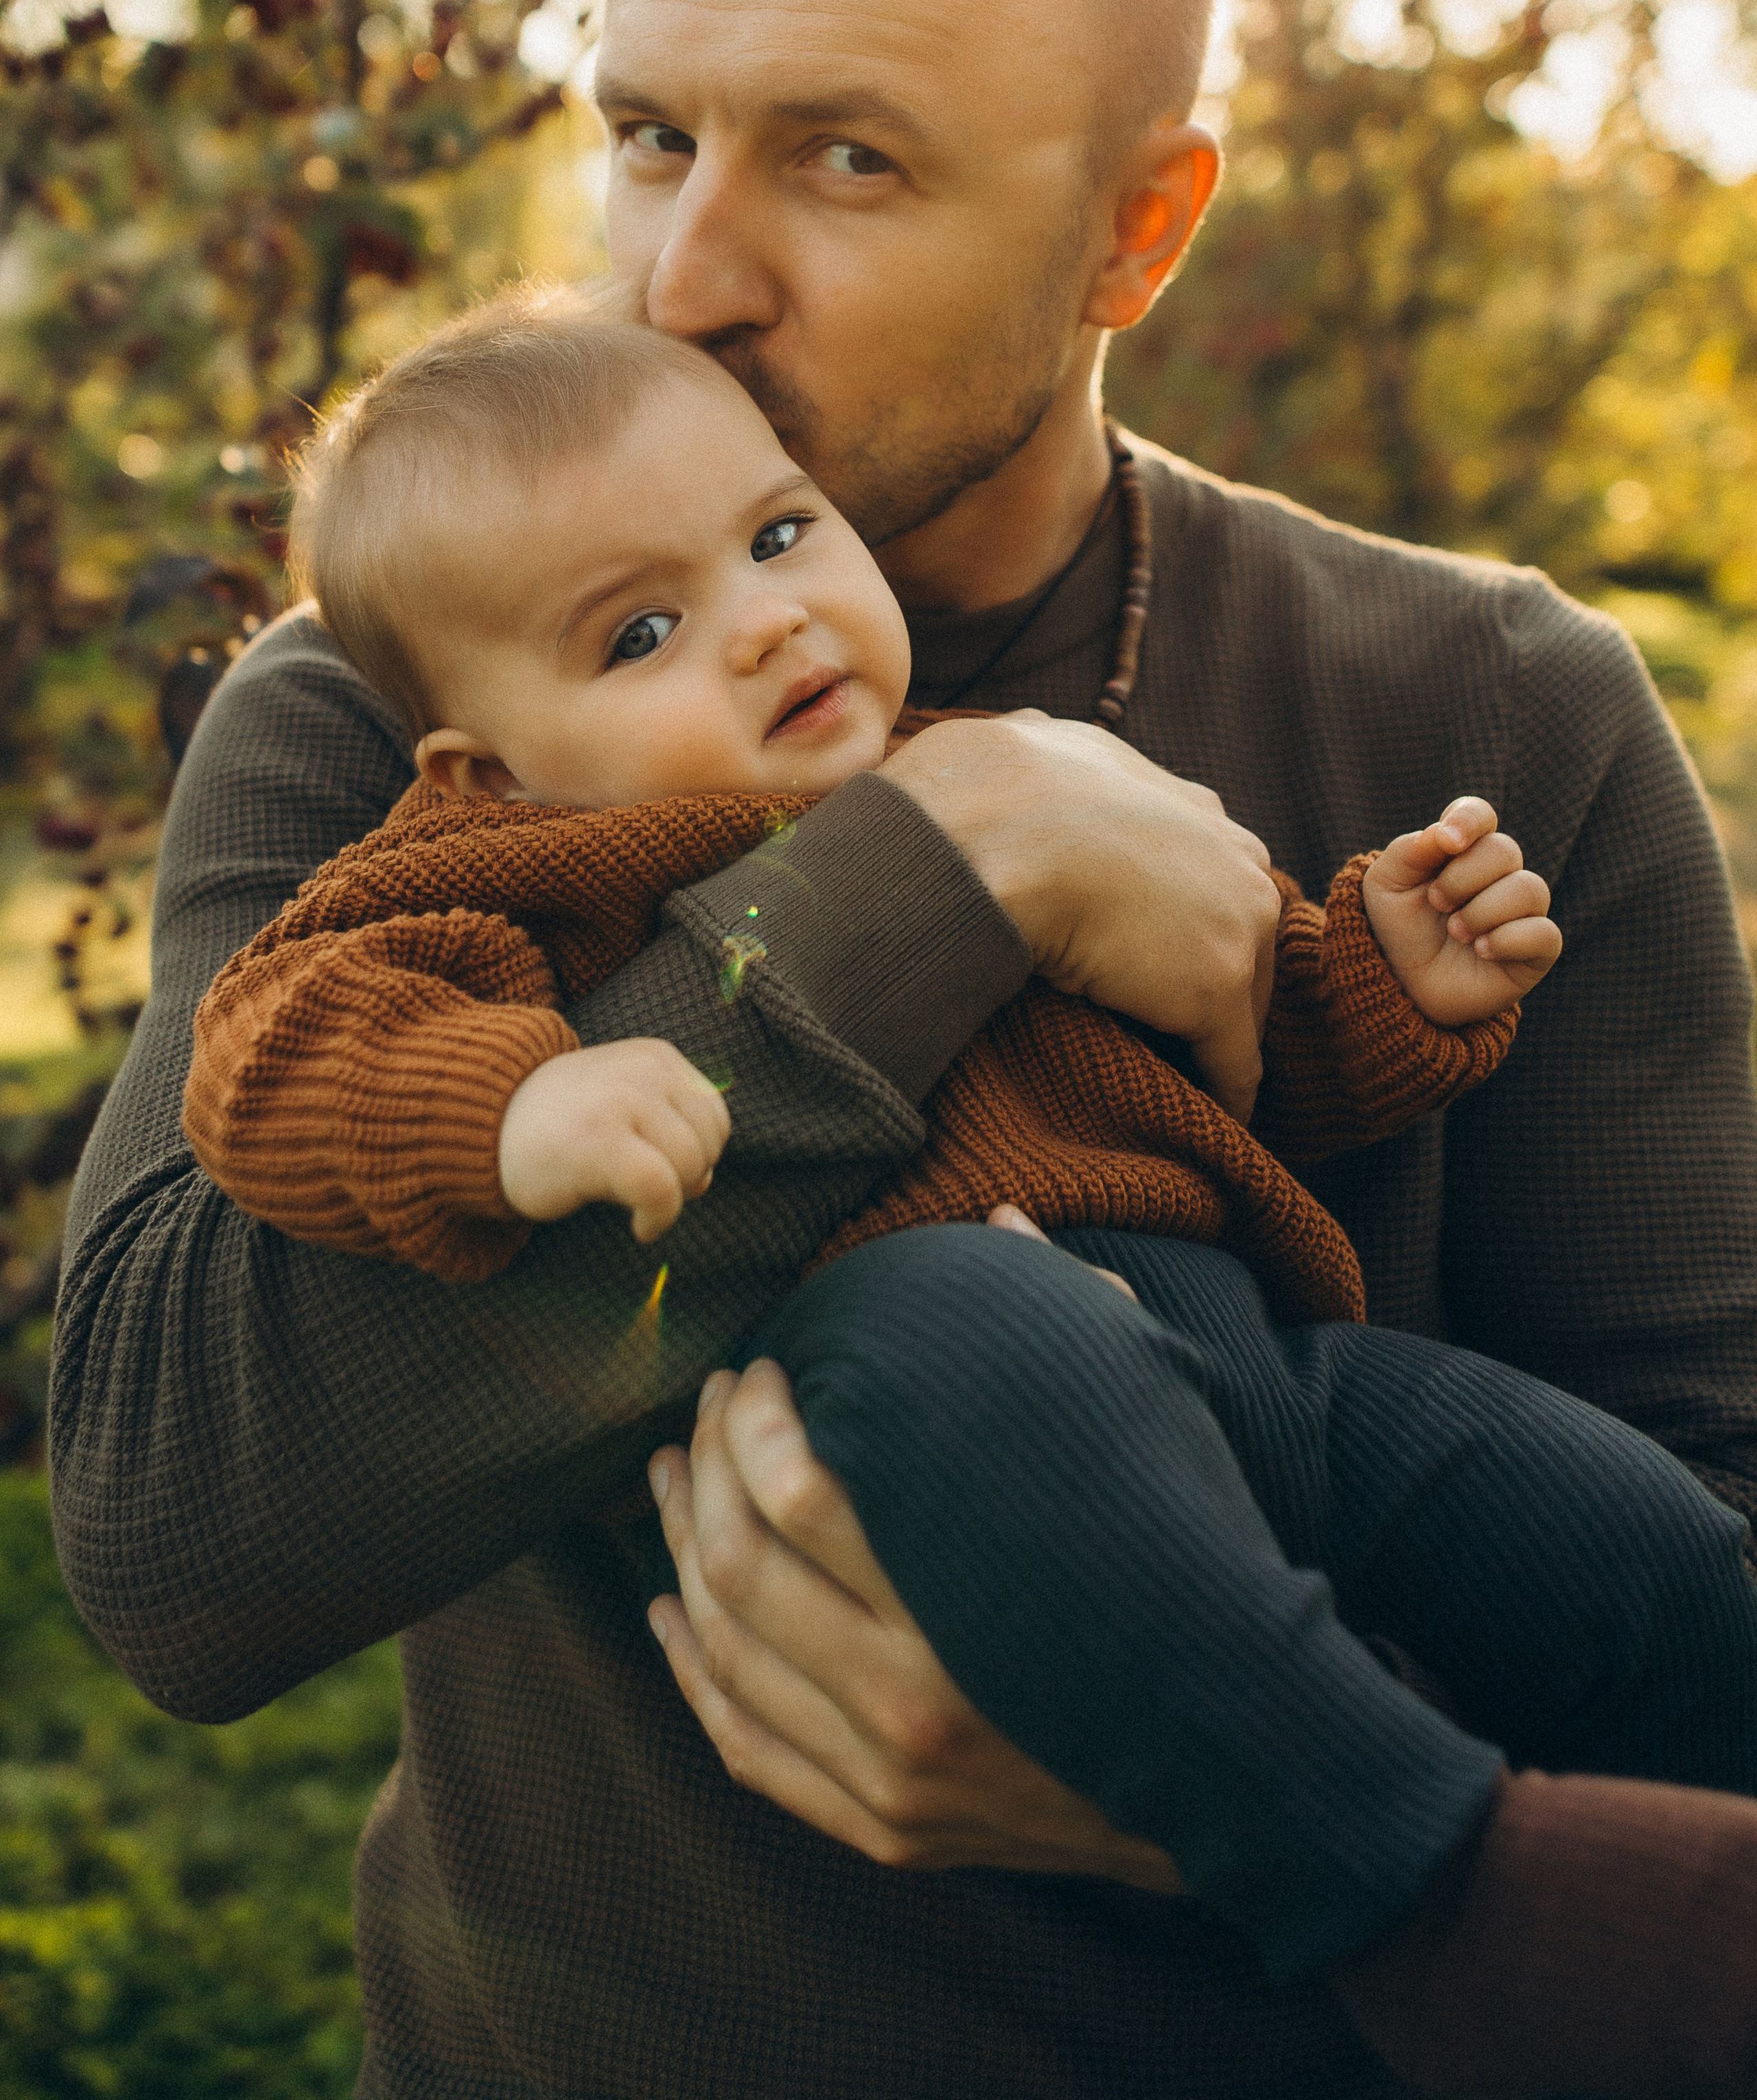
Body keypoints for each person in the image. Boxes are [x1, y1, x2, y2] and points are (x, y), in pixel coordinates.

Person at [49, 0, 1757, 2100]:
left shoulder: (1491, 717)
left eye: (844, 157)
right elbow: (176, 1535)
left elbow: (1697, 1586)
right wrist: (948, 865)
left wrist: (1190, 1785)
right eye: (648, 136)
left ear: (1136, 225)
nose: (684, 279)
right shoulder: (415, 725)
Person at [172, 297, 1757, 2081]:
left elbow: (1233, 1069)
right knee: (972, 1316)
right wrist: (518, 1103)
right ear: (485, 759)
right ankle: (1400, 1878)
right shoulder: (510, 861)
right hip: (919, 1386)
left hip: (1257, 1378)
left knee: (1598, 1524)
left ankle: (1691, 1832)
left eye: (777, 534)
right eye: (641, 630)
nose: (767, 615)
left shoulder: (998, 759)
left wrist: (1385, 982)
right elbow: (282, 1052)